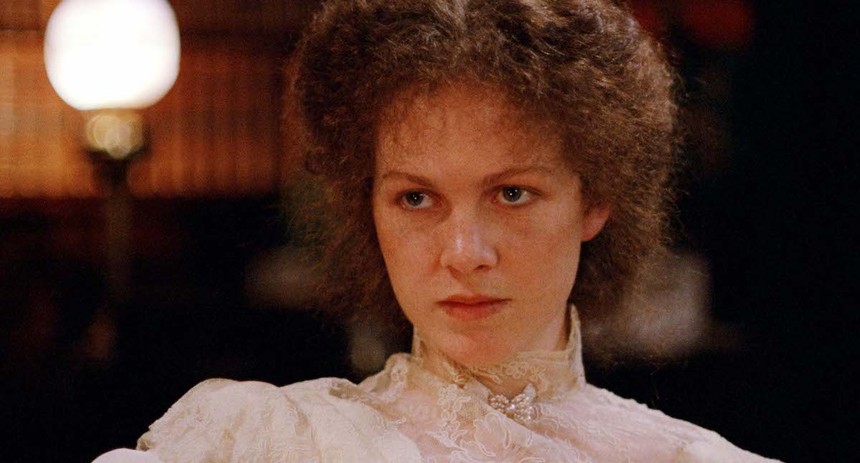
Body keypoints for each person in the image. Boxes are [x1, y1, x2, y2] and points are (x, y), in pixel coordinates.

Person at [95, 0, 779, 461]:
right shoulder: (267, 442)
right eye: (417, 198)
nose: (463, 253)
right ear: (367, 204)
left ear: (595, 197)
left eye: (512, 193)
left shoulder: (689, 457)